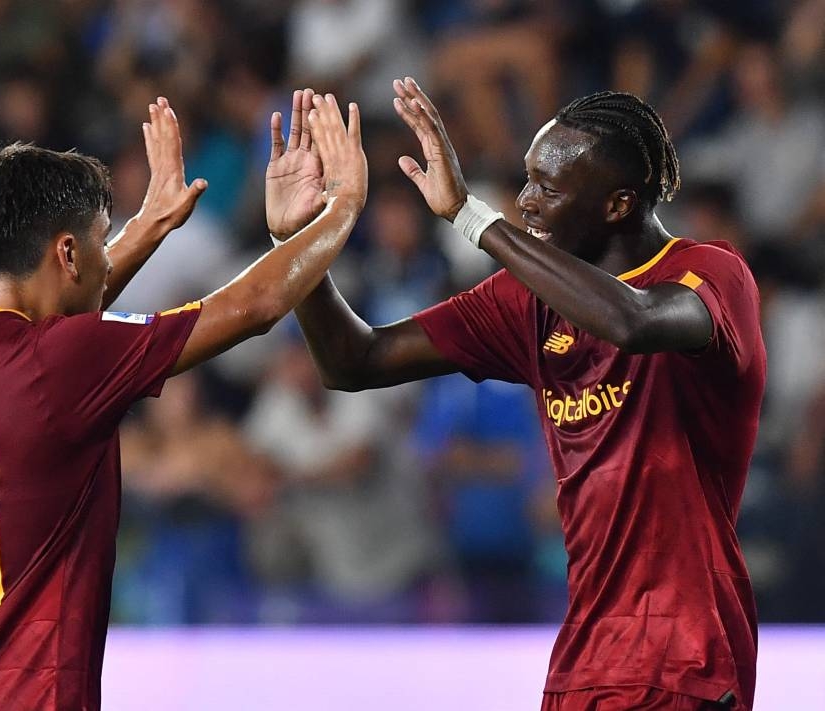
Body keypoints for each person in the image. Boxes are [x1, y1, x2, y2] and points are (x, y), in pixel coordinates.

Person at [268, 82, 764, 710]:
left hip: (684, 650)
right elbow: (354, 361)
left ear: (618, 204)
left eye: (547, 188)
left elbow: (633, 322)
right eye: (526, 180)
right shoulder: (525, 299)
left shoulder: (711, 274)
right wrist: (302, 244)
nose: (525, 202)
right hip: (584, 657)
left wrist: (471, 217)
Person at [0, 90, 366, 709]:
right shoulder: (56, 361)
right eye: (98, 239)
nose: (102, 253)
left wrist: (151, 223)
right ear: (66, 253)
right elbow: (252, 307)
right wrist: (340, 208)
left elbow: (66, 306)